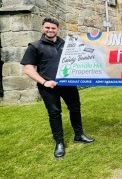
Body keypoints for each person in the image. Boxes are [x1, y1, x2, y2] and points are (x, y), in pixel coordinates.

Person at [20, 18, 95, 158]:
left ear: (57, 29)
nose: (50, 30)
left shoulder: (66, 44)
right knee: (54, 113)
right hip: (48, 87)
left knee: (75, 108)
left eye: (53, 28)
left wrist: (80, 40)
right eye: (47, 27)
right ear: (42, 28)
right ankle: (59, 142)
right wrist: (44, 82)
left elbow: (84, 54)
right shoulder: (35, 46)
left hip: (67, 84)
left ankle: (79, 135)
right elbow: (28, 68)